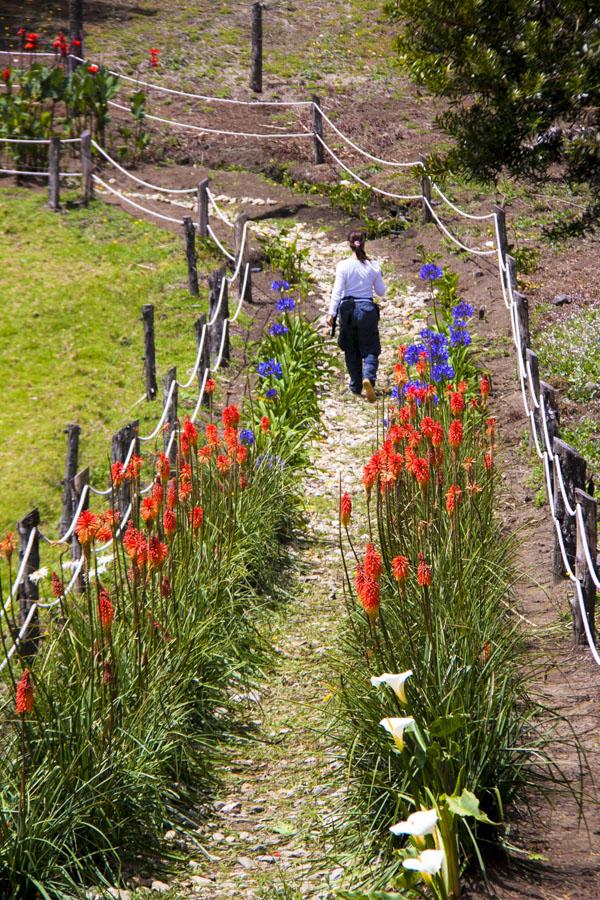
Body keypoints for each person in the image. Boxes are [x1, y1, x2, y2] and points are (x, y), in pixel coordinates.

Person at [327, 231, 386, 403]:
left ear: (349, 243)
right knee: (370, 347)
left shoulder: (342, 266)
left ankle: (355, 386)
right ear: (364, 243)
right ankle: (368, 378)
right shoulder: (373, 266)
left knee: (350, 348)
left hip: (347, 309)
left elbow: (337, 291)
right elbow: (381, 292)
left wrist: (331, 313)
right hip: (367, 309)